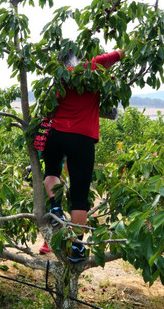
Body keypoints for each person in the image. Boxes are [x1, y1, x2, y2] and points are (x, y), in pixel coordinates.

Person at [43, 47, 125, 263]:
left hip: (57, 133)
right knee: (80, 196)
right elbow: (117, 55)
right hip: (83, 139)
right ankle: (78, 247)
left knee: (51, 172)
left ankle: (56, 209)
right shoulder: (91, 68)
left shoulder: (60, 76)